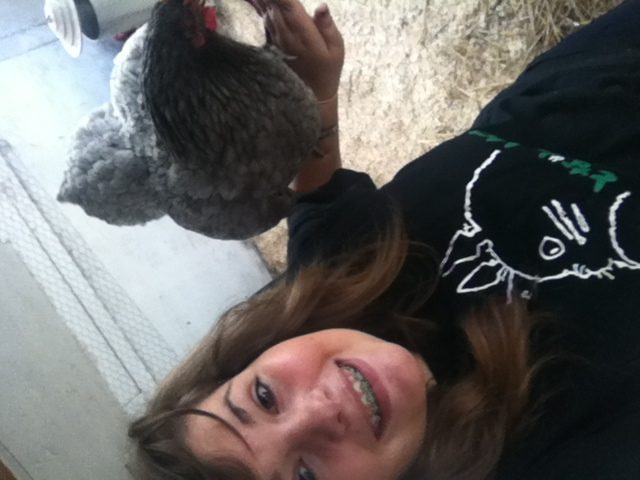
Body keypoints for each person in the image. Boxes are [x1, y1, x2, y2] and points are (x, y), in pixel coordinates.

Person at [128, 0, 640, 479]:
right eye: (305, 475)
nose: (319, 411)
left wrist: (312, 88)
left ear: (246, 357)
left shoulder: (333, 281)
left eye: (263, 397)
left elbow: (319, 192)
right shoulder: (548, 456)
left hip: (591, 69)